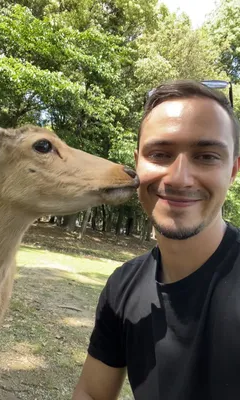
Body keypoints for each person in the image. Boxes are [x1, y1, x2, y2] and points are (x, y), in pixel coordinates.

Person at [72, 80, 240, 400]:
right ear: (137, 163)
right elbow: (92, 393)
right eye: (160, 154)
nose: (178, 178)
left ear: (232, 171)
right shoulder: (123, 287)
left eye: (206, 156)